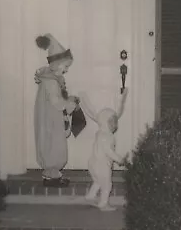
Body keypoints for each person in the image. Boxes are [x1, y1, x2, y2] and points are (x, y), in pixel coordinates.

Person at [34, 33, 79, 187]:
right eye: (65, 66)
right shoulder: (51, 82)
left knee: (53, 142)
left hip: (51, 117)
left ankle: (53, 174)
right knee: (53, 143)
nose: (66, 70)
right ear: (57, 64)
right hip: (50, 119)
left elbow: (57, 99)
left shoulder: (52, 80)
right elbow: (56, 102)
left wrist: (68, 100)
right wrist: (69, 104)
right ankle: (51, 175)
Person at [78, 88, 128, 211]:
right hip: (101, 165)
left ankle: (90, 196)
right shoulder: (107, 137)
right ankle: (103, 204)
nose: (115, 125)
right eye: (113, 122)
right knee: (107, 185)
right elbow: (109, 152)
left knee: (97, 181)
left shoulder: (100, 133)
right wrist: (120, 159)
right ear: (105, 122)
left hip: (93, 163)